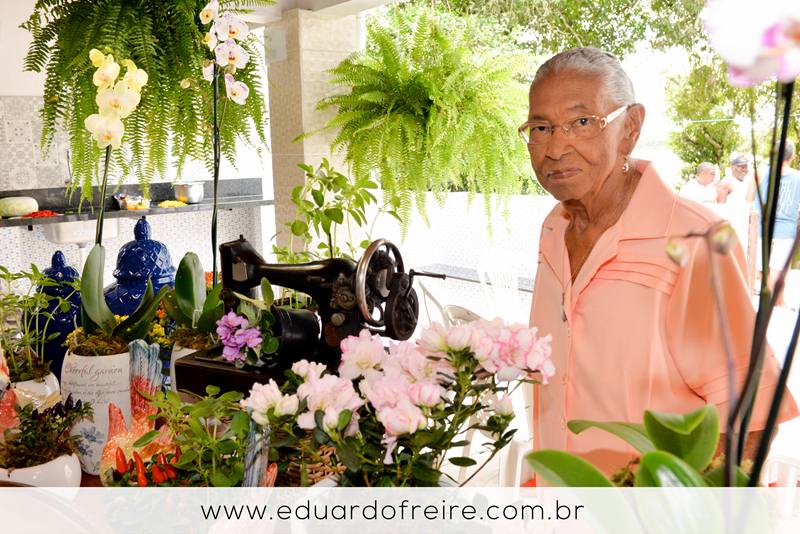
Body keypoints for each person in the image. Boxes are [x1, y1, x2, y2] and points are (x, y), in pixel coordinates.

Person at [521, 47, 798, 476]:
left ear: (630, 127)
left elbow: (751, 420)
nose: (556, 147)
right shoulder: (554, 229)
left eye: (582, 122)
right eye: (541, 128)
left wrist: (678, 503)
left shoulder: (695, 241)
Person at [755, 140, 800, 306]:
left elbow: (748, 198)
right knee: (778, 269)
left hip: (762, 228)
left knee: (763, 269)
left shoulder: (761, 173)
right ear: (792, 156)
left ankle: (775, 301)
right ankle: (776, 302)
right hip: (786, 231)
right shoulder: (798, 177)